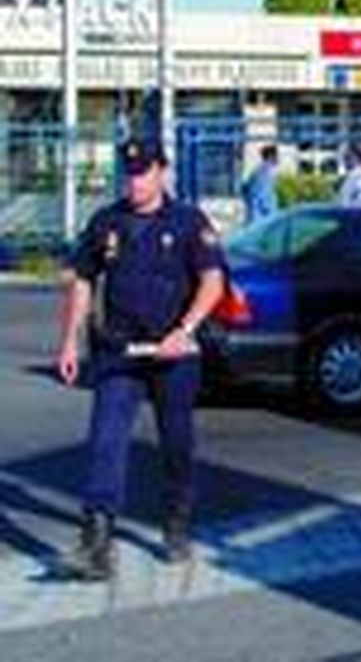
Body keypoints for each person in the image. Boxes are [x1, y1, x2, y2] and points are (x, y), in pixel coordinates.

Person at [54, 136, 225, 579]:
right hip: (119, 351)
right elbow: (83, 281)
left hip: (174, 353)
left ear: (162, 172)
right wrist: (71, 341)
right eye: (129, 172)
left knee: (177, 443)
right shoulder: (106, 222)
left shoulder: (188, 222)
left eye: (143, 172)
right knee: (105, 439)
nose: (135, 181)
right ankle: (96, 542)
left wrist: (184, 331)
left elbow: (212, 282)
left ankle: (176, 522)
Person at [240, 143, 280, 224]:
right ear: (270, 156)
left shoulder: (258, 170)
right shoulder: (266, 171)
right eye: (275, 155)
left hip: (257, 212)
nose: (277, 158)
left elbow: (246, 189)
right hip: (261, 214)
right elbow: (262, 196)